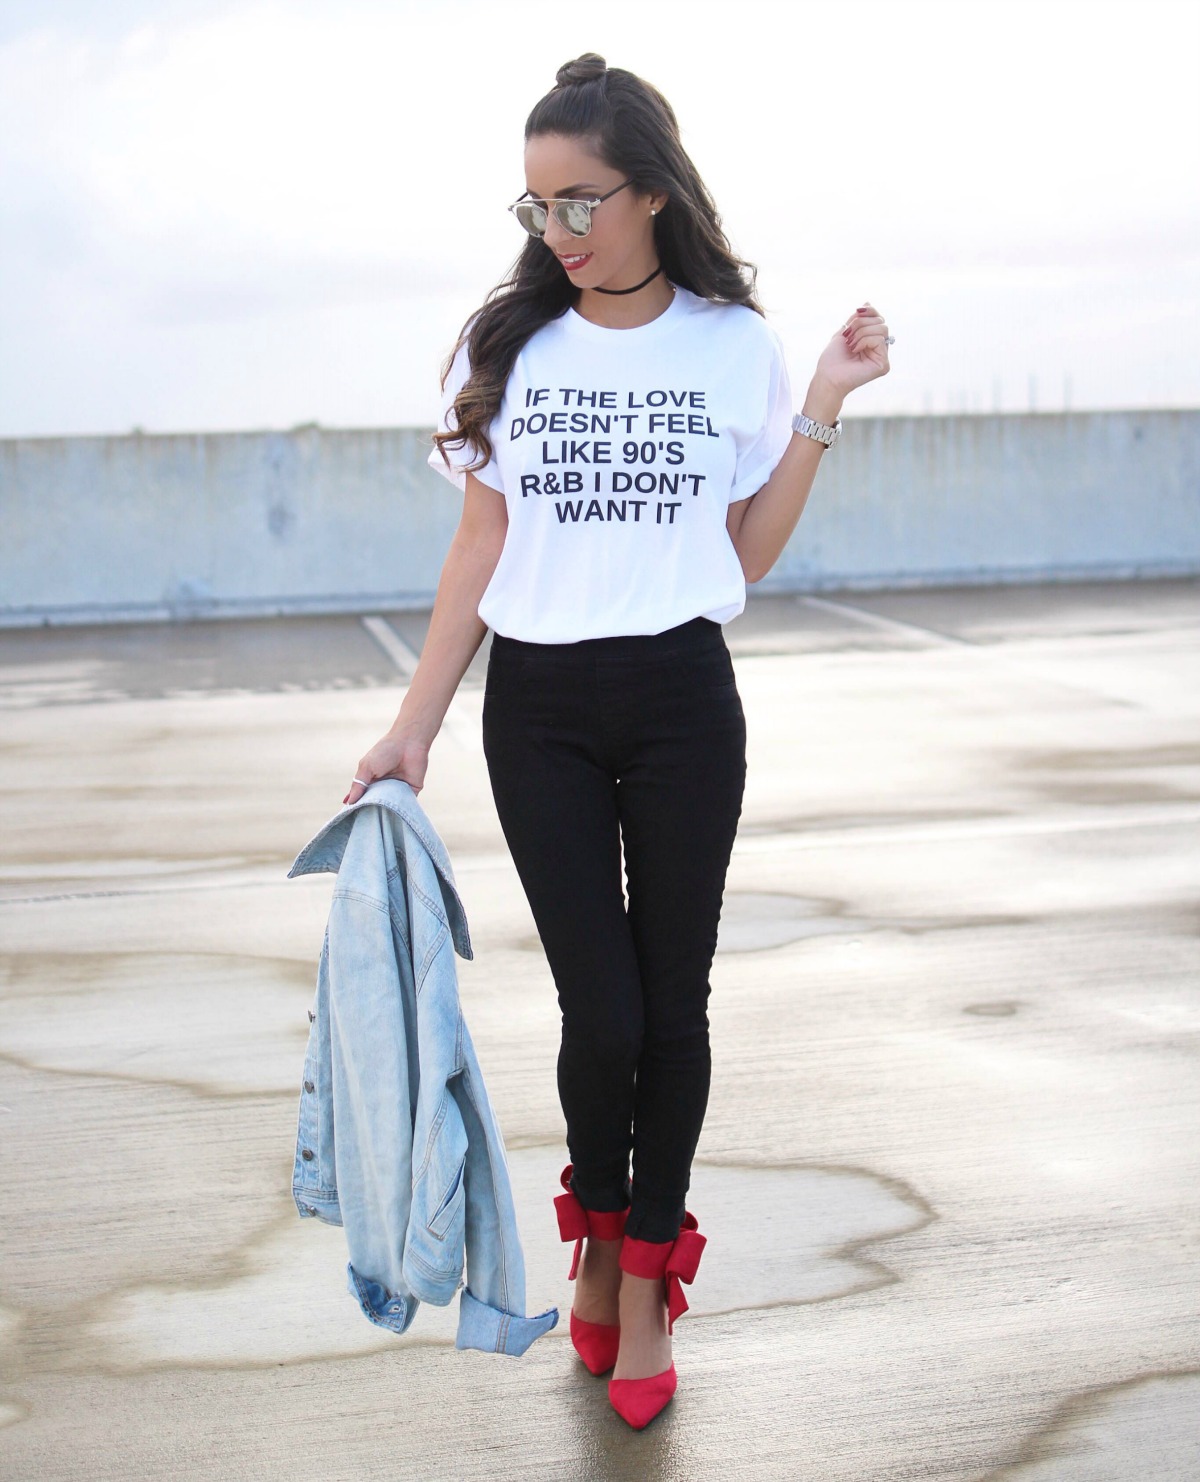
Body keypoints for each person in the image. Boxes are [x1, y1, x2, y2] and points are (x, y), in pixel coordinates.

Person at [342, 52, 891, 1428]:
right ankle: (594, 1237)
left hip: (682, 703)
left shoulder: (727, 342)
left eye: (582, 202)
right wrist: (413, 726)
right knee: (608, 1010)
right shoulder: (504, 346)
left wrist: (822, 399)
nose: (561, 234)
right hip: (540, 712)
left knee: (677, 1002)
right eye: (538, 210)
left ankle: (641, 1283)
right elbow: (483, 540)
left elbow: (743, 553)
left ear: (651, 191)